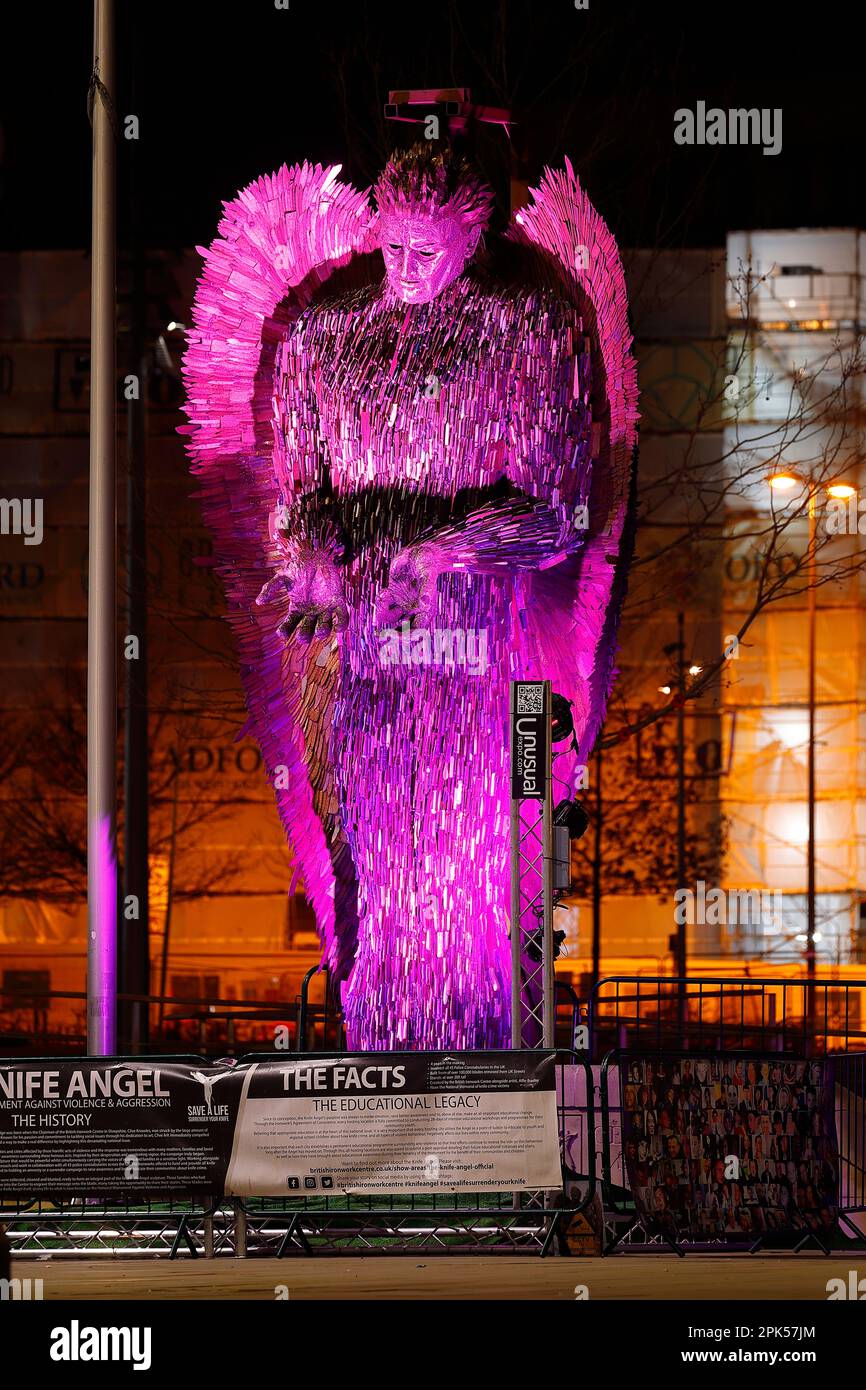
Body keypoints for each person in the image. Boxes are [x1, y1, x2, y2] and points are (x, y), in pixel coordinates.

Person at [184, 143, 637, 1050]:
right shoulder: (327, 336)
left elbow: (559, 513)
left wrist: (440, 550)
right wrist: (311, 557)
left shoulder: (524, 331)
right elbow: (300, 490)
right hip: (364, 655)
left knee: (473, 873)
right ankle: (376, 1046)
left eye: (427, 252)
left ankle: (471, 1057)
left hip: (481, 655)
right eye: (395, 247)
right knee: (375, 858)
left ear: (471, 243)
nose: (406, 269)